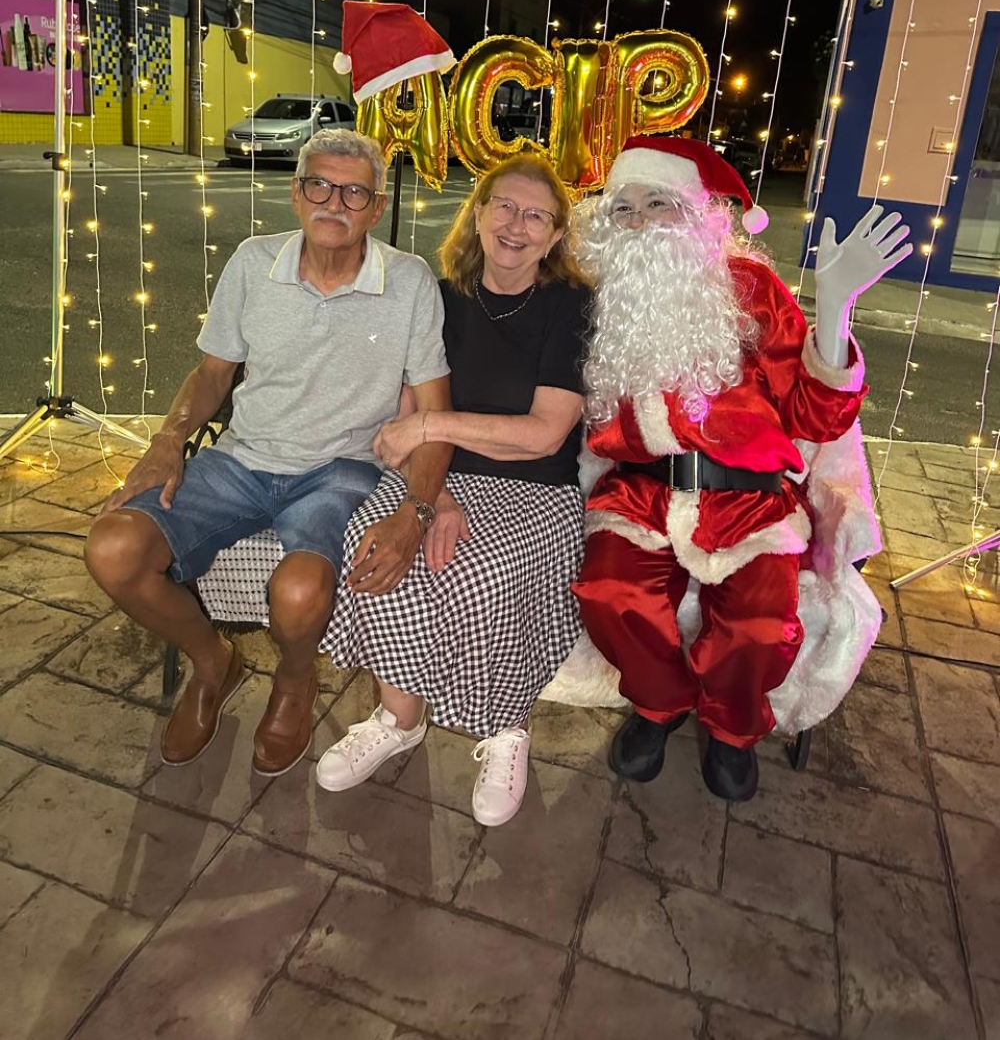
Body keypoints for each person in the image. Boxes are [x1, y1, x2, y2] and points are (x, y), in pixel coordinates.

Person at [84, 130, 451, 777]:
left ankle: (294, 678)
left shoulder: (409, 281)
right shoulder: (254, 262)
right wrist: (168, 439)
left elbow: (434, 414)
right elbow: (212, 373)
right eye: (319, 184)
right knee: (111, 548)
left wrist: (416, 511)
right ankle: (212, 663)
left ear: (376, 206)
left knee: (300, 588)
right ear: (295, 193)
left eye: (354, 192)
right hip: (241, 459)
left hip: (338, 471)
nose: (333, 202)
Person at [572, 134, 911, 802]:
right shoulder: (604, 296)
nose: (638, 222)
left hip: (750, 501)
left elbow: (815, 417)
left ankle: (731, 729)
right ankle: (660, 705)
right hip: (638, 496)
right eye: (623, 208)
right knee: (609, 596)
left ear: (699, 213)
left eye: (657, 203)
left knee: (759, 626)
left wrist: (835, 309)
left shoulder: (750, 289)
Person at [316, 153, 590, 827]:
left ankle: (505, 728)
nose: (517, 225)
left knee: (487, 569)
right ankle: (399, 718)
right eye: (505, 206)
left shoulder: (571, 306)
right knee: (375, 545)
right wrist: (432, 498)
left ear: (556, 235)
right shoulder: (436, 297)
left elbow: (544, 434)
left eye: (536, 216)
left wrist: (433, 426)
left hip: (535, 489)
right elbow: (400, 419)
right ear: (479, 212)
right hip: (436, 474)